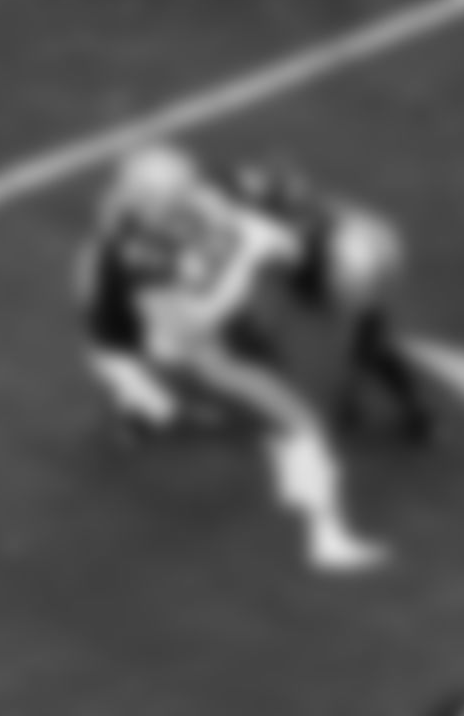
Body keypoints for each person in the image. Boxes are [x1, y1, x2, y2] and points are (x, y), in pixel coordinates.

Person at [75, 142, 387, 571]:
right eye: (174, 194)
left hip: (195, 329)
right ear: (150, 200)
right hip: (175, 348)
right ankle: (326, 539)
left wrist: (299, 232)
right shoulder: (138, 257)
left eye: (186, 187)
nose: (187, 195)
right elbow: (185, 333)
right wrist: (247, 260)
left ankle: (148, 408)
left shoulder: (195, 202)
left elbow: (272, 187)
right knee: (299, 420)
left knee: (276, 405)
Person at [225, 161, 436, 443]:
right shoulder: (314, 212)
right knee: (368, 336)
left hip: (353, 262)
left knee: (367, 339)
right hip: (368, 253)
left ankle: (396, 405)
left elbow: (300, 268)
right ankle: (375, 402)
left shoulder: (292, 230)